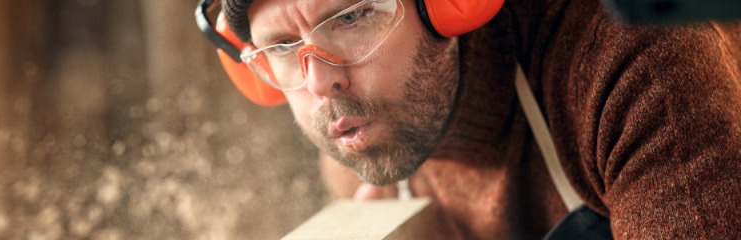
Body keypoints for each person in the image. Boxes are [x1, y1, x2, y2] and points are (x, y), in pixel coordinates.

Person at [199, 0, 741, 238]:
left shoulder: (634, 73)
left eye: (353, 16)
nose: (321, 83)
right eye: (282, 46)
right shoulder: (354, 142)